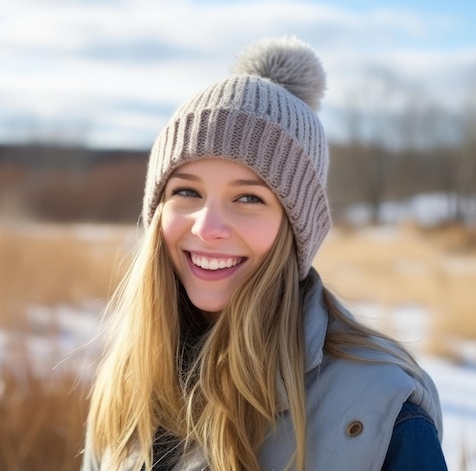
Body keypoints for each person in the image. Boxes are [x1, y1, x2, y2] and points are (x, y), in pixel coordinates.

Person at [81, 36, 447, 470]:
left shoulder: (383, 414)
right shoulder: (127, 381)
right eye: (186, 191)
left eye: (249, 198)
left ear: (296, 227)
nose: (208, 228)